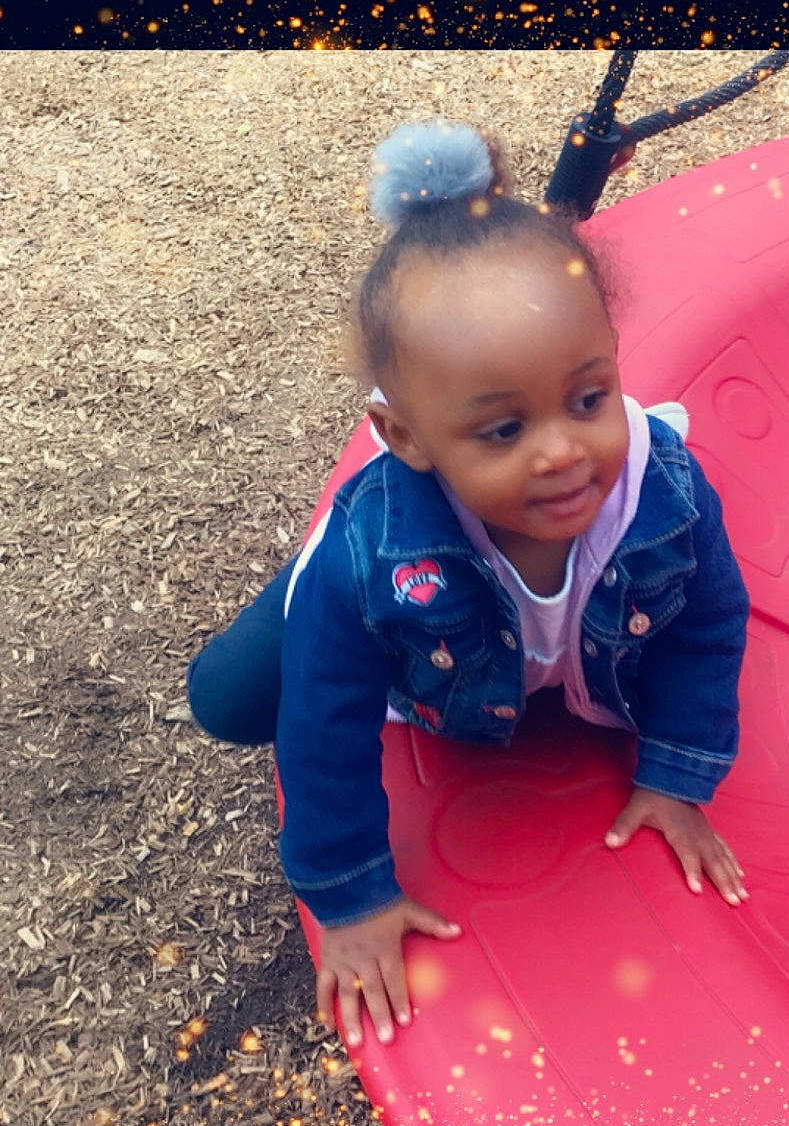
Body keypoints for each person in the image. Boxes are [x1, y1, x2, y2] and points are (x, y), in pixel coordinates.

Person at [188, 121, 751, 1053]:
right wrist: (350, 895)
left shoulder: (665, 493)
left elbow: (710, 623)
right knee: (231, 700)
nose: (563, 452)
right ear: (404, 435)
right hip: (398, 567)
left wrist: (678, 771)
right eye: (504, 430)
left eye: (588, 399)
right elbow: (324, 724)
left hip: (489, 617)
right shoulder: (379, 560)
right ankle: (318, 571)